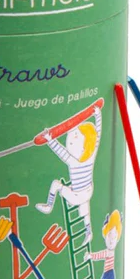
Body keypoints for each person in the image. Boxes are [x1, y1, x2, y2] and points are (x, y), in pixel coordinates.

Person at [36, 105, 102, 245]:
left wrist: (50, 139)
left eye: (73, 141)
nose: (70, 143)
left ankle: (49, 206)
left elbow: (60, 151)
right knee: (85, 205)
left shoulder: (73, 162)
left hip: (77, 194)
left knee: (56, 184)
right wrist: (98, 115)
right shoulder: (91, 155)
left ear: (83, 147)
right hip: (88, 191)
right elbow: (97, 134)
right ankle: (89, 230)